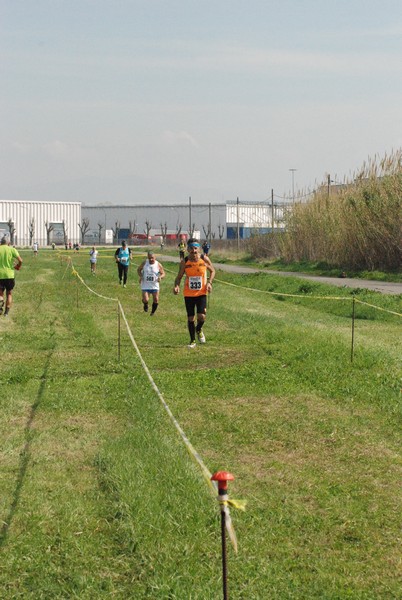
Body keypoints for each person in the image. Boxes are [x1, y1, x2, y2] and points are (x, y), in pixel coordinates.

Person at [173, 238, 215, 348]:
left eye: (195, 248)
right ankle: (192, 341)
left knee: (202, 317)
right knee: (191, 318)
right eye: (191, 248)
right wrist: (176, 286)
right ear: (187, 249)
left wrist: (209, 283)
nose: (194, 251)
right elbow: (179, 277)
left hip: (201, 293)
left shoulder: (204, 259)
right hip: (189, 294)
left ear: (199, 249)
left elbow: (213, 271)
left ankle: (199, 329)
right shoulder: (184, 262)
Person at [0, 236, 23, 317]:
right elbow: (20, 260)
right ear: (8, 243)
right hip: (9, 275)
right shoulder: (11, 249)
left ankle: (0, 305)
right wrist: (18, 266)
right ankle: (6, 313)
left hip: (0, 275)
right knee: (9, 293)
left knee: (0, 293)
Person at [137, 251, 165, 315]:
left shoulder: (158, 264)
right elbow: (138, 270)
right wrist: (141, 276)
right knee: (146, 299)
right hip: (145, 285)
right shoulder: (145, 263)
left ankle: (152, 313)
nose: (151, 259)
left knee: (156, 299)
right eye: (149, 258)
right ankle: (145, 304)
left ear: (155, 257)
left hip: (154, 285)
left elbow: (163, 273)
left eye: (152, 258)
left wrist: (160, 277)